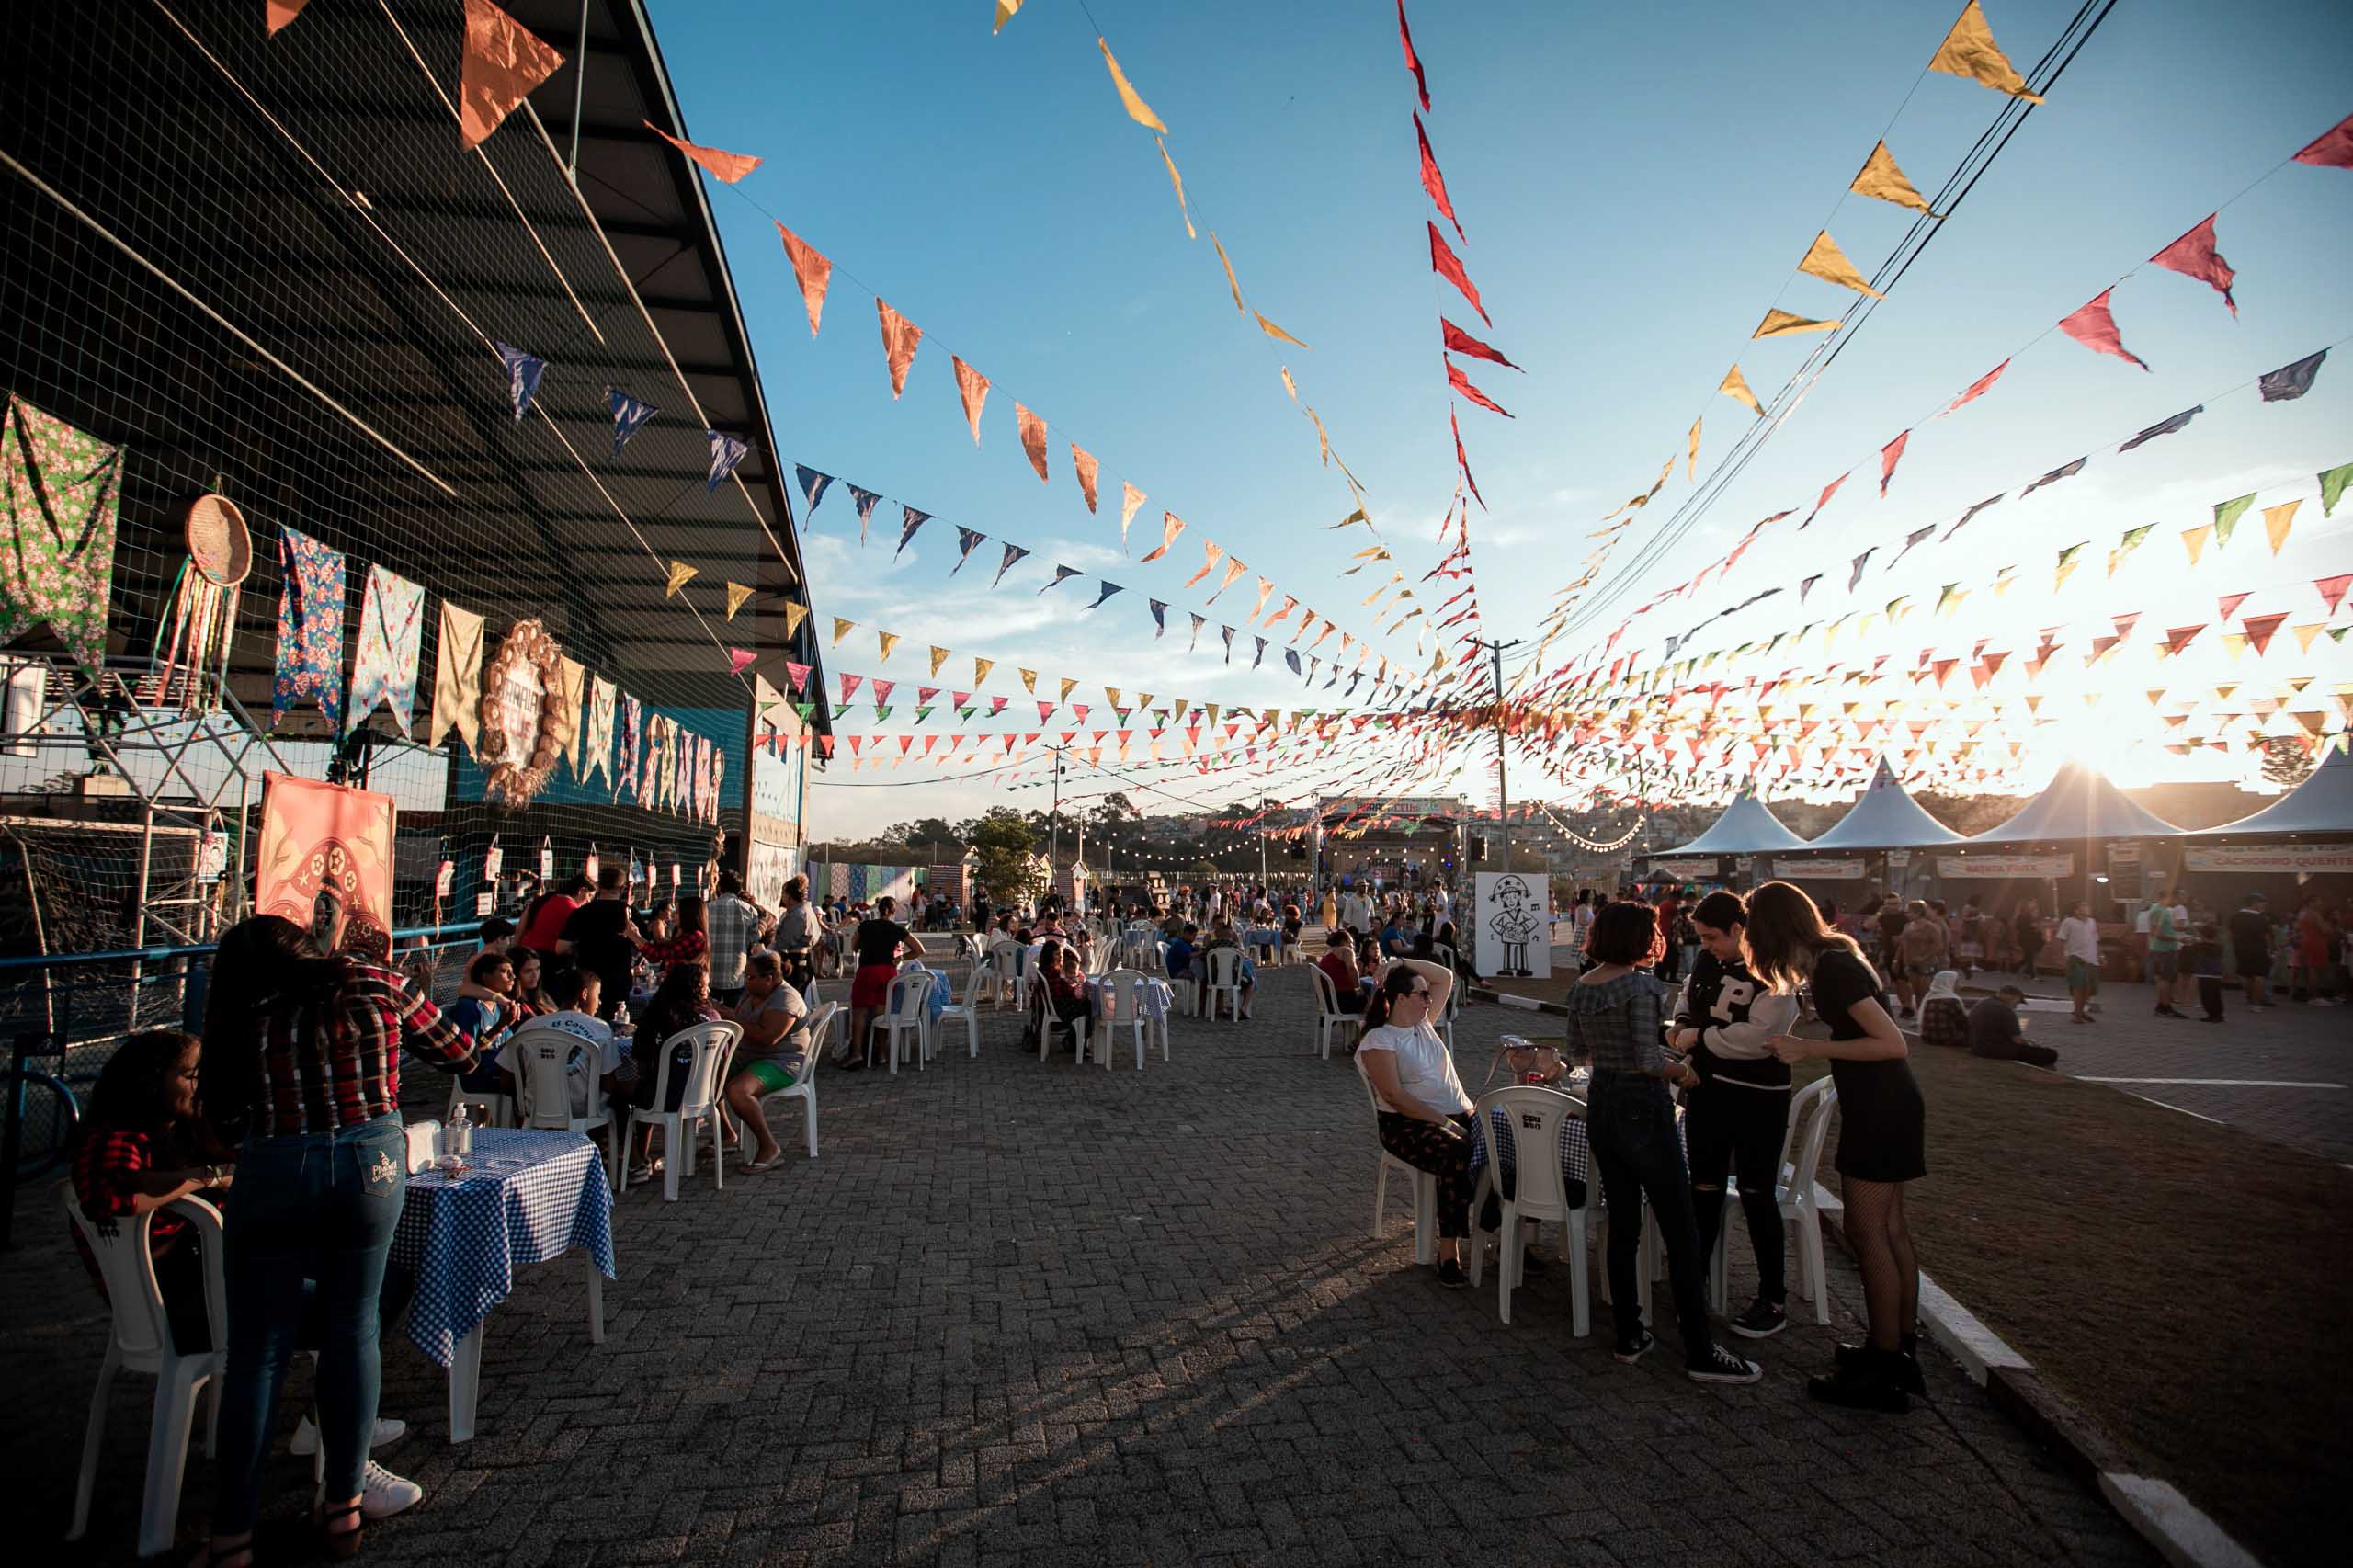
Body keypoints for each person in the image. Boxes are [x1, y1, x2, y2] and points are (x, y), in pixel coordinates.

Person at [199, 908, 480, 1562]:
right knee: (351, 1329)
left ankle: (232, 1535)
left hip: (274, 1165)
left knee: (256, 1353)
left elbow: (225, 1113)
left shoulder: (245, 1007)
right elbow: (460, 1052)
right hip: (368, 1164)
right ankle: (343, 1508)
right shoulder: (374, 983)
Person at [1568, 903, 1763, 1384]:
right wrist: (1681, 1071)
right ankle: (1700, 1348)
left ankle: (1629, 1333)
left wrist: (1631, 1055)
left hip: (1603, 1101)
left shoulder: (1582, 986)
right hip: (1642, 1106)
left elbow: (1577, 1051)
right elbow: (1646, 1058)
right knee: (1681, 1228)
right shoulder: (1641, 986)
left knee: (1623, 1226)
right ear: (1639, 938)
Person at [1752, 881, 1924, 1412]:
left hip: (1881, 1110)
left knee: (1867, 1232)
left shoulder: (1833, 969)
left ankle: (1885, 1363)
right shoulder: (1835, 958)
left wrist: (1809, 1048)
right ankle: (1896, 1349)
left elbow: (1890, 1042)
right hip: (1888, 1106)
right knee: (1890, 1231)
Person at [1671, 891, 1800, 1341]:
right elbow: (1685, 1002)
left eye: (1712, 937)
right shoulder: (1706, 963)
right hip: (1706, 1093)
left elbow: (1760, 1037)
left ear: (1739, 930)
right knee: (1701, 1190)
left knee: (1756, 1194)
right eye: (1701, 937)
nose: (1706, 945)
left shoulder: (1774, 972)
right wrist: (1680, 1027)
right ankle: (1693, 1285)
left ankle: (1773, 1297)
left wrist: (1696, 1038)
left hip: (1757, 1099)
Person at [69, 1030, 235, 1355]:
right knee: (340, 1306)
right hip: (179, 1308)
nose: (200, 1085)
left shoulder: (172, 1136)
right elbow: (110, 1201)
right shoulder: (116, 1139)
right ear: (150, 1080)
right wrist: (206, 1177)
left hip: (188, 1298)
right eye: (190, 1076)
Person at [1355, 958, 1492, 1290]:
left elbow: (1445, 975)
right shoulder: (1380, 1039)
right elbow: (1395, 1096)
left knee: (1508, 1144)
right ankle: (1449, 1252)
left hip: (1458, 1114)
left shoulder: (1424, 1024)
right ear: (1401, 998)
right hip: (1406, 1124)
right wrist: (1446, 1123)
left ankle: (1504, 1233)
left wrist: (1399, 961)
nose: (1429, 999)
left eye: (1429, 995)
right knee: (1458, 1153)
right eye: (1422, 994)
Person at [498, 963, 630, 1119]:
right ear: (585, 994)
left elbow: (506, 1080)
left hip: (535, 1110)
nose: (599, 1002)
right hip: (584, 1113)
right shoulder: (600, 1028)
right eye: (598, 995)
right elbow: (608, 1085)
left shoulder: (529, 1027)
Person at [725, 952, 810, 1170]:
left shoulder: (785, 999)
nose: (746, 981)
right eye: (746, 977)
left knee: (738, 1091)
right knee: (705, 1077)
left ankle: (769, 1146)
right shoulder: (751, 993)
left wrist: (731, 1018)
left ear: (769, 978)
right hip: (748, 1056)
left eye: (751, 977)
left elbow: (768, 1038)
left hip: (781, 1061)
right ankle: (727, 1133)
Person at [846, 895, 920, 1070]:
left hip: (867, 971)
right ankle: (881, 1054)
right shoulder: (896, 929)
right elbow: (919, 949)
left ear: (878, 910)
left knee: (860, 1014)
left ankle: (856, 1054)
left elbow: (854, 947)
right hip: (887, 973)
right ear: (894, 911)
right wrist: (901, 957)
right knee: (882, 1014)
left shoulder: (865, 926)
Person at [559, 866, 642, 1021]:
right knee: (618, 1024)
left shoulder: (581, 913)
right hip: (619, 979)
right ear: (622, 888)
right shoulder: (629, 913)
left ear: (599, 886)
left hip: (588, 981)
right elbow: (645, 946)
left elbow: (561, 947)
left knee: (586, 1025)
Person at [1967, 985, 2058, 1067]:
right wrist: (2031, 1044)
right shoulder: (2005, 1010)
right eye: (2017, 1002)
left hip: (1976, 1047)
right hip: (1994, 1050)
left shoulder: (1982, 1002)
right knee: (2050, 1054)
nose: (2015, 1006)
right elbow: (2016, 1040)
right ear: (2010, 997)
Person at [517, 875, 590, 959]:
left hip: (527, 952)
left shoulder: (542, 899)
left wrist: (515, 950)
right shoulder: (574, 910)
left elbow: (520, 929)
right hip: (550, 957)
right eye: (590, 896)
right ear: (581, 891)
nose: (589, 901)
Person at [640, 893, 710, 981]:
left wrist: (634, 936)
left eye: (676, 912)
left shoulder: (694, 937)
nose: (673, 915)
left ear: (687, 915)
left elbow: (658, 954)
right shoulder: (689, 934)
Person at [1200, 919, 1258, 1019]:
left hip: (1213, 979)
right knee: (1251, 981)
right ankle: (1244, 1008)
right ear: (1230, 934)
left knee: (1217, 976)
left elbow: (1203, 957)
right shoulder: (1234, 946)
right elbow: (1240, 959)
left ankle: (1220, 1008)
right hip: (1233, 979)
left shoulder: (1211, 945)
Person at [2056, 900, 2102, 1025]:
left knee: (2089, 989)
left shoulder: (2092, 922)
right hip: (2075, 958)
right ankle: (2077, 1014)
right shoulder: (2068, 922)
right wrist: (2063, 957)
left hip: (2092, 959)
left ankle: (2081, 1011)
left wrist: (2100, 955)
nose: (2088, 908)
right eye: (2085, 906)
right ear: (2076, 910)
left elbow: (2095, 939)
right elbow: (2061, 939)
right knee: (2078, 987)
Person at [2228, 892, 2273, 1009]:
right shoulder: (2262, 919)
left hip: (2241, 950)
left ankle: (2249, 998)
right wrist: (2270, 950)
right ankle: (2256, 1004)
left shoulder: (2235, 917)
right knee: (2259, 976)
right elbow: (2267, 937)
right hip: (2259, 951)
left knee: (2245, 975)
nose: (2264, 905)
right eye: (2262, 903)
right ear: (2254, 903)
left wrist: (2236, 948)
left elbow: (2231, 935)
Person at [2146, 894, 2186, 1017]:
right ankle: (2166, 1007)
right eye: (2172, 898)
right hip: (2163, 950)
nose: (2173, 901)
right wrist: (2176, 939)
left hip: (2168, 949)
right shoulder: (2157, 911)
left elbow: (2170, 927)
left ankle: (2162, 1006)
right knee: (2166, 979)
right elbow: (2154, 933)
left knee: (2166, 979)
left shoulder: (2166, 910)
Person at [1915, 971, 1969, 1048]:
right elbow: (1964, 1023)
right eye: (1957, 981)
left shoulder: (1928, 998)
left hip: (1928, 1039)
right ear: (1948, 982)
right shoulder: (1952, 1000)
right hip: (1949, 1039)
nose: (1960, 985)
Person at [2188, 922, 2228, 1022]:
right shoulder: (2219, 947)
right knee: (2216, 996)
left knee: (2206, 997)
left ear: (2202, 935)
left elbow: (2191, 951)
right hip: (2217, 975)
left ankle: (2212, 1015)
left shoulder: (2198, 946)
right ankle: (2218, 1014)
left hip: (2204, 975)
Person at [2010, 902, 2044, 978]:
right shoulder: (2029, 917)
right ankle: (2031, 973)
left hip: (2024, 938)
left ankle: (2015, 968)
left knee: (2028, 956)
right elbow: (2033, 927)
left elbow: (2017, 927)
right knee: (2030, 955)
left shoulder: (2021, 916)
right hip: (2028, 938)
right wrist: (2033, 927)